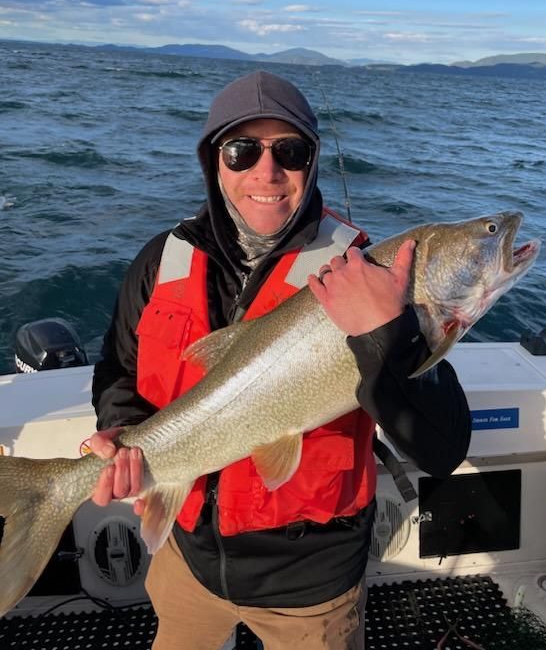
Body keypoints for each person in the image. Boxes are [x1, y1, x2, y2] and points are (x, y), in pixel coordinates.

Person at [90, 70, 471, 650]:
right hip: (185, 564)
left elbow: (442, 450)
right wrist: (119, 428)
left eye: (288, 151)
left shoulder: (364, 276)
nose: (265, 173)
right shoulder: (160, 262)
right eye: (242, 151)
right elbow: (118, 369)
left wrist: (390, 334)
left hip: (311, 586)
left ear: (312, 160)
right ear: (215, 161)